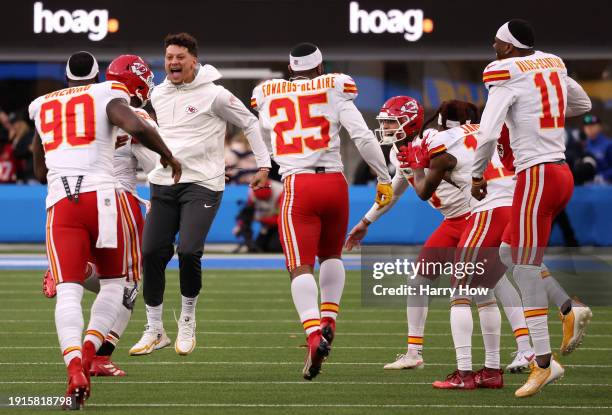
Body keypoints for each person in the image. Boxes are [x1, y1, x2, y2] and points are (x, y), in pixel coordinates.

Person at [30, 51, 180, 408]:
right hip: (106, 197)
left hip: (61, 201)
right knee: (119, 284)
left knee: (68, 293)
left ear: (65, 78)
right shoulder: (106, 93)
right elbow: (138, 127)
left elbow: (39, 169)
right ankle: (88, 353)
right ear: (98, 75)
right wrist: (168, 156)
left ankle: (73, 369)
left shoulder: (41, 105)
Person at [251, 42, 393, 380]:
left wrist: (260, 167)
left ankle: (314, 333)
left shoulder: (266, 92)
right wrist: (384, 177)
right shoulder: (334, 85)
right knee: (332, 256)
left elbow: (256, 131)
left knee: (299, 267)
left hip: (299, 185)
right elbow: (362, 136)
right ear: (321, 67)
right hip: (335, 182)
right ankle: (329, 317)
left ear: (290, 69)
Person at [470, 19, 592, 397]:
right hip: (561, 172)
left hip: (536, 174)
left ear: (508, 47)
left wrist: (477, 175)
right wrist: (542, 112)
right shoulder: (552, 62)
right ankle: (569, 307)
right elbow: (582, 103)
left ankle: (542, 364)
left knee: (521, 268)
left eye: (496, 43)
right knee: (509, 251)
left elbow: (488, 131)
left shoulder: (503, 70)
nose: (493, 48)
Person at [131, 33, 272, 357]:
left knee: (189, 251)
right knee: (151, 253)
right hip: (164, 183)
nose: (173, 63)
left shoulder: (216, 94)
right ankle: (155, 329)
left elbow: (250, 124)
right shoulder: (159, 94)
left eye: (180, 57)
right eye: (169, 57)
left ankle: (188, 320)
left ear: (194, 60)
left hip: (203, 183)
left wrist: (264, 166)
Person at [583, 114, 612, 183]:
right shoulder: (584, 145)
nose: (589, 128)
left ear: (599, 127)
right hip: (588, 184)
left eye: (592, 126)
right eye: (586, 126)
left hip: (606, 185)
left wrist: (604, 176)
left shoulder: (608, 144)